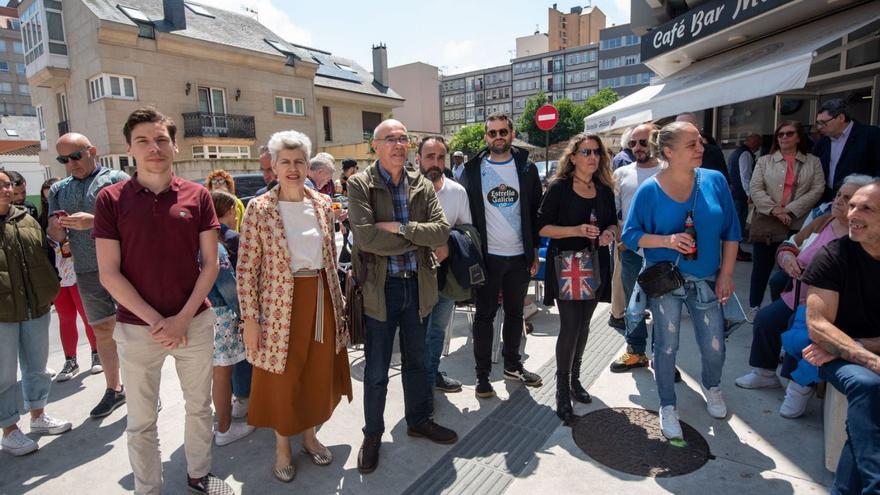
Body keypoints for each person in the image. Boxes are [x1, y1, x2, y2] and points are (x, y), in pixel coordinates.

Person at [93, 108, 231, 494]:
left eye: (161, 140)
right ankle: (148, 489)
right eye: (143, 141)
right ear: (128, 148)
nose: (153, 148)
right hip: (138, 330)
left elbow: (210, 264)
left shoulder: (198, 195)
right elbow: (109, 273)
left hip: (195, 323)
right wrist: (159, 321)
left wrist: (182, 319)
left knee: (199, 407)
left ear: (174, 145)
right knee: (140, 421)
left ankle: (199, 475)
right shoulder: (111, 199)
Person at [236, 130, 352, 483]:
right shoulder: (259, 208)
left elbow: (329, 258)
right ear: (273, 164)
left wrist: (339, 303)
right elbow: (246, 268)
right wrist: (250, 319)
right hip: (277, 306)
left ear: (308, 165)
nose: (292, 168)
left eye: (299, 161)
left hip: (319, 298)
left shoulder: (319, 202)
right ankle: (282, 445)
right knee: (284, 378)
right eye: (285, 161)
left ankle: (309, 436)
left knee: (316, 373)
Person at [347, 119, 456, 474]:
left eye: (403, 139)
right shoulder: (359, 184)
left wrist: (402, 228)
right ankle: (373, 435)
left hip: (417, 285)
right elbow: (365, 239)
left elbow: (441, 230)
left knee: (417, 361)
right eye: (390, 139)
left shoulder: (422, 184)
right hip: (382, 289)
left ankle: (418, 419)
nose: (398, 144)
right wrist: (417, 239)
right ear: (375, 146)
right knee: (377, 368)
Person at [622, 121, 741, 440]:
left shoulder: (714, 180)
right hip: (666, 282)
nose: (701, 148)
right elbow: (630, 236)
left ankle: (712, 387)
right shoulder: (650, 190)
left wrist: (727, 274)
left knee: (714, 344)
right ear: (670, 152)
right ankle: (667, 405)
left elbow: (732, 231)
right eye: (692, 144)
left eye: (700, 142)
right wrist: (667, 241)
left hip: (706, 279)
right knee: (666, 346)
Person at [735, 175, 871, 419]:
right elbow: (790, 244)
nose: (841, 201)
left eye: (850, 199)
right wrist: (787, 259)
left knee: (802, 335)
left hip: (826, 306)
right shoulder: (823, 221)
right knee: (766, 319)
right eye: (840, 195)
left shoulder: (861, 239)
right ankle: (765, 373)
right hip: (797, 295)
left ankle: (798, 387)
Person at [801, 180, 880, 494]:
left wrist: (857, 345)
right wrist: (869, 358)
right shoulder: (834, 255)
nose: (852, 214)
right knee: (868, 384)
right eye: (851, 205)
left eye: (866, 208)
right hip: (836, 356)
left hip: (846, 348)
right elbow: (819, 327)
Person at [460, 113, 544, 398]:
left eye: (503, 132)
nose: (498, 137)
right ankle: (482, 376)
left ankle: (513, 365)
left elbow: (535, 212)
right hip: (488, 258)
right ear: (486, 137)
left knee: (515, 314)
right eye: (492, 132)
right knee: (483, 317)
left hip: (519, 257)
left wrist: (533, 250)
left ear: (511, 133)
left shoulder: (527, 169)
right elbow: (464, 213)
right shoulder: (473, 169)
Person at [47, 132, 130, 419]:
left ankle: (143, 389)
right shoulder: (59, 189)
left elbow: (136, 221)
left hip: (124, 267)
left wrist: (93, 221)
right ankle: (114, 389)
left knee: (134, 331)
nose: (70, 163)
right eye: (63, 159)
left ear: (92, 151)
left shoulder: (116, 179)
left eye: (75, 156)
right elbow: (53, 232)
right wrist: (57, 228)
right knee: (103, 330)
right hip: (86, 270)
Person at [537, 133, 617, 425]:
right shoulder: (559, 188)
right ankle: (560, 391)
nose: (593, 157)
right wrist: (577, 230)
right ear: (572, 157)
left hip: (596, 264)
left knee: (584, 325)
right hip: (567, 265)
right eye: (586, 152)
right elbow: (543, 228)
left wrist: (608, 232)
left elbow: (612, 221)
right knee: (570, 326)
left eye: (597, 152)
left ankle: (575, 381)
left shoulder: (605, 189)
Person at [0, 168, 71, 457]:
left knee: (37, 366)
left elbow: (43, 254)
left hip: (35, 305)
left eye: (8, 184)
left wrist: (55, 236)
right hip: (3, 310)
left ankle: (38, 416)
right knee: (4, 375)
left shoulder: (25, 218)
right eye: (1, 185)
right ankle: (9, 430)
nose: (6, 189)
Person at [747, 121, 824, 319]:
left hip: (796, 223)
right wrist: (775, 210)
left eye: (789, 134)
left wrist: (789, 210)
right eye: (780, 135)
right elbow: (755, 188)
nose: (784, 138)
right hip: (768, 222)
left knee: (790, 269)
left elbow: (818, 189)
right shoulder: (765, 161)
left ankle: (782, 306)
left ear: (798, 137)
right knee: (761, 267)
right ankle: (754, 306)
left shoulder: (812, 161)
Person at [416, 135, 471, 396]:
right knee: (415, 332)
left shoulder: (456, 191)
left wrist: (449, 245)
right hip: (412, 275)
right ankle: (419, 383)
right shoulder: (403, 189)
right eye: (430, 157)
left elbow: (468, 231)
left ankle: (430, 376)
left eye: (440, 157)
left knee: (436, 330)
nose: (435, 163)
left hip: (444, 273)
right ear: (418, 159)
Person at [609, 123, 662, 374]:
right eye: (633, 143)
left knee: (664, 306)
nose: (637, 148)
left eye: (643, 142)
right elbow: (613, 211)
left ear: (657, 141)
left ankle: (663, 357)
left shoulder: (668, 171)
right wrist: (620, 238)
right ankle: (636, 350)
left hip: (663, 252)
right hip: (630, 250)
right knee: (633, 304)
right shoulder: (622, 173)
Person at [206, 190, 254, 447]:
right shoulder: (215, 248)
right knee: (223, 375)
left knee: (217, 375)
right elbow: (229, 288)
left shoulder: (192, 243)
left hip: (205, 317)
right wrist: (247, 313)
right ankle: (224, 428)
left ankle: (223, 420)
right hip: (223, 316)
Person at [812, 98, 880, 202]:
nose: (819, 127)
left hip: (859, 201)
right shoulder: (822, 143)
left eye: (823, 122)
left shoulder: (871, 135)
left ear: (841, 118)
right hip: (828, 201)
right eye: (818, 123)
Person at [728, 133, 762, 262]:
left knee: (736, 222)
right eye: (758, 141)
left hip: (735, 193)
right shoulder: (745, 154)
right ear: (751, 141)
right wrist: (749, 193)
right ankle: (735, 251)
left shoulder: (736, 152)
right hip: (740, 194)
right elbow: (745, 175)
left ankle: (735, 250)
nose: (760, 145)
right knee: (738, 223)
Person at [675, 112, 730, 183]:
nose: (681, 130)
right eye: (677, 127)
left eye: (685, 126)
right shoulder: (672, 153)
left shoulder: (713, 152)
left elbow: (724, 182)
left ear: (696, 127)